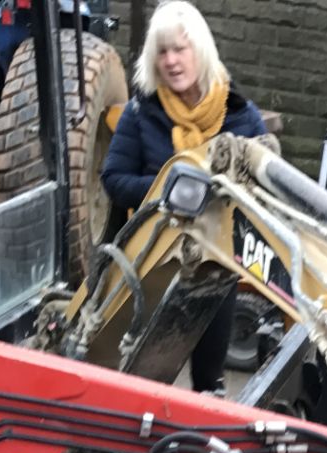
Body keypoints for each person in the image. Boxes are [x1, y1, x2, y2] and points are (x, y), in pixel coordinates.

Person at [101, 1, 268, 393]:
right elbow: (114, 178)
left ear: (201, 51)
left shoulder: (241, 116)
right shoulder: (142, 112)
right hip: (150, 262)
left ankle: (200, 450)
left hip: (213, 265)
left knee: (210, 381)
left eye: (180, 49)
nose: (172, 61)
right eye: (162, 51)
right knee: (140, 379)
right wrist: (175, 189)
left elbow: (262, 195)